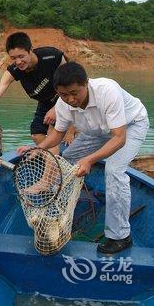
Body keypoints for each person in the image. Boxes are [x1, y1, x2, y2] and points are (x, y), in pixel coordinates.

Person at [19, 61, 149, 254]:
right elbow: (58, 134)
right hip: (98, 130)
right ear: (57, 92)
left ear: (86, 83)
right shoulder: (62, 104)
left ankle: (120, 236)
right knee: (68, 159)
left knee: (114, 171)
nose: (70, 99)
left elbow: (119, 138)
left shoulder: (107, 91)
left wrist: (89, 160)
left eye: (74, 93)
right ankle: (59, 215)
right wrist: (37, 147)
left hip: (130, 126)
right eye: (64, 95)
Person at [0, 32, 74, 149]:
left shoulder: (52, 56)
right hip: (45, 101)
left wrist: (57, 108)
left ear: (30, 50)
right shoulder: (14, 71)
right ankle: (55, 161)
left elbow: (72, 85)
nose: (18, 62)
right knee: (36, 134)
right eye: (13, 58)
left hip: (65, 97)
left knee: (54, 129)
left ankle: (70, 130)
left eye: (21, 56)